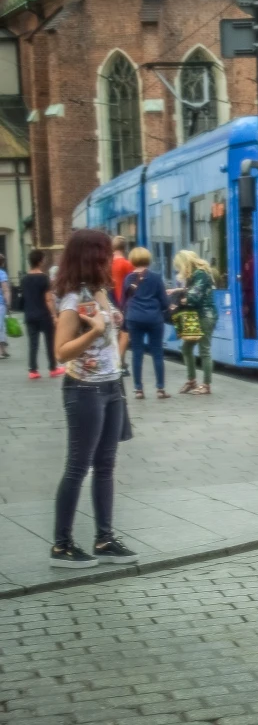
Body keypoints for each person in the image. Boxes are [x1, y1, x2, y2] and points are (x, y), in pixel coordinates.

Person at [50, 228, 138, 568]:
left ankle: (104, 539)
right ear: (92, 255)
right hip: (84, 390)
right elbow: (60, 352)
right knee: (77, 467)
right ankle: (62, 545)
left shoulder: (99, 290)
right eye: (105, 252)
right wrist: (97, 332)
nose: (111, 257)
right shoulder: (74, 299)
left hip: (111, 387)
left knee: (105, 465)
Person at [122, 247, 170, 400]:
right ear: (148, 259)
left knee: (137, 352)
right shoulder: (156, 278)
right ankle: (160, 389)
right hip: (154, 318)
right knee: (157, 352)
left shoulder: (129, 278)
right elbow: (164, 302)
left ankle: (138, 390)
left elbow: (125, 299)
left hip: (134, 318)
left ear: (132, 260)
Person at [173, 250, 217, 395]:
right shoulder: (195, 275)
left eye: (180, 267)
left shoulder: (200, 274)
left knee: (204, 350)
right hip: (196, 316)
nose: (179, 270)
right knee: (186, 348)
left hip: (205, 316)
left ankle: (206, 385)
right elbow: (192, 290)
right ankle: (192, 381)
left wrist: (179, 300)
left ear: (185, 264)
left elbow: (194, 296)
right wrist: (178, 290)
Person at [21, 249, 61, 379]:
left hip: (30, 314)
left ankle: (33, 370)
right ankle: (53, 367)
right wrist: (54, 315)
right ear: (39, 261)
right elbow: (48, 299)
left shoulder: (24, 278)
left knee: (33, 343)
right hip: (44, 315)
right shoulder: (44, 278)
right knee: (50, 341)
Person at [111, 236, 134, 376]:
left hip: (109, 301)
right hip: (123, 302)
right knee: (124, 335)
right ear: (124, 248)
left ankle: (122, 363)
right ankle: (120, 364)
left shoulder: (106, 264)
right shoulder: (127, 264)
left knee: (115, 335)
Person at [0, 253, 9, 359]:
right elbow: (5, 289)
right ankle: (1, 351)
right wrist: (8, 302)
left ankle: (3, 349)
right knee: (1, 327)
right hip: (0, 303)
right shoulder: (2, 274)